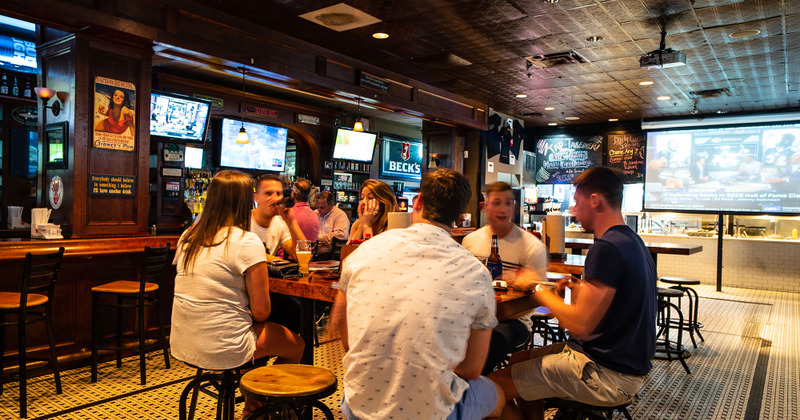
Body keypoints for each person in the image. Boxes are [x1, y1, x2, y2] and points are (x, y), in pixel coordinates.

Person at [331, 168, 504, 420]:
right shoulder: (476, 273)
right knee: (497, 393)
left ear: (418, 202)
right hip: (431, 413)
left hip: (358, 406)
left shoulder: (363, 254)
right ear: (459, 215)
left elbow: (347, 339)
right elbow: (471, 369)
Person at [489, 167, 656, 420]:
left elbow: (579, 325)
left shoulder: (606, 248)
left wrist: (535, 287)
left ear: (595, 200)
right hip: (622, 366)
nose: (574, 210)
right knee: (518, 359)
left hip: (606, 375)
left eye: (576, 203)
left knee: (488, 388)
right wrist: (579, 290)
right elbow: (614, 304)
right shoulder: (631, 241)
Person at [168, 170, 304, 418]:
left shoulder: (188, 236)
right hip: (224, 348)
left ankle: (254, 397)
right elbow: (262, 311)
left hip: (182, 341)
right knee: (297, 344)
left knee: (257, 336)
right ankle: (258, 407)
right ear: (245, 202)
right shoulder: (245, 240)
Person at [462, 182, 548, 375]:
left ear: (514, 207)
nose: (503, 209)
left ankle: (475, 389)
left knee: (492, 341)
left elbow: (536, 299)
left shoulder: (532, 247)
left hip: (513, 320)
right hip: (472, 315)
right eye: (497, 203)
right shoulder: (470, 242)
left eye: (508, 203)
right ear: (486, 206)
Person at [251, 174, 307, 333]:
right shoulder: (244, 220)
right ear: (257, 198)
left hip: (271, 289)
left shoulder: (280, 223)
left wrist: (291, 222)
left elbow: (301, 256)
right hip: (246, 290)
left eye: (278, 194)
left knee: (301, 318)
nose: (275, 198)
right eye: (268, 194)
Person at [315, 191, 350, 259]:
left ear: (331, 205)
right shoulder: (315, 213)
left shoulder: (340, 215)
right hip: (315, 253)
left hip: (331, 255)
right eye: (317, 207)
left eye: (322, 208)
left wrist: (318, 237)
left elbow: (341, 236)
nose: (319, 210)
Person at [291, 178, 319, 243]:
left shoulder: (289, 215)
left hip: (292, 252)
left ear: (293, 194)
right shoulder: (314, 215)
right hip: (310, 253)